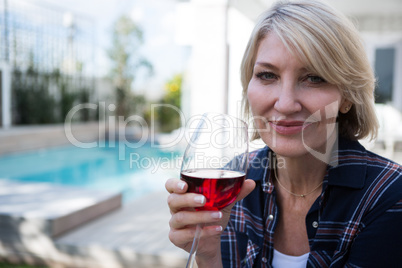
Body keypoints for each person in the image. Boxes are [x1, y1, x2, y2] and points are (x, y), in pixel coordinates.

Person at [165, 0, 402, 267]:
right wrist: (208, 255)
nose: (286, 103)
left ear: (347, 97)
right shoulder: (238, 186)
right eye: (267, 75)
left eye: (314, 78)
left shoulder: (390, 196)